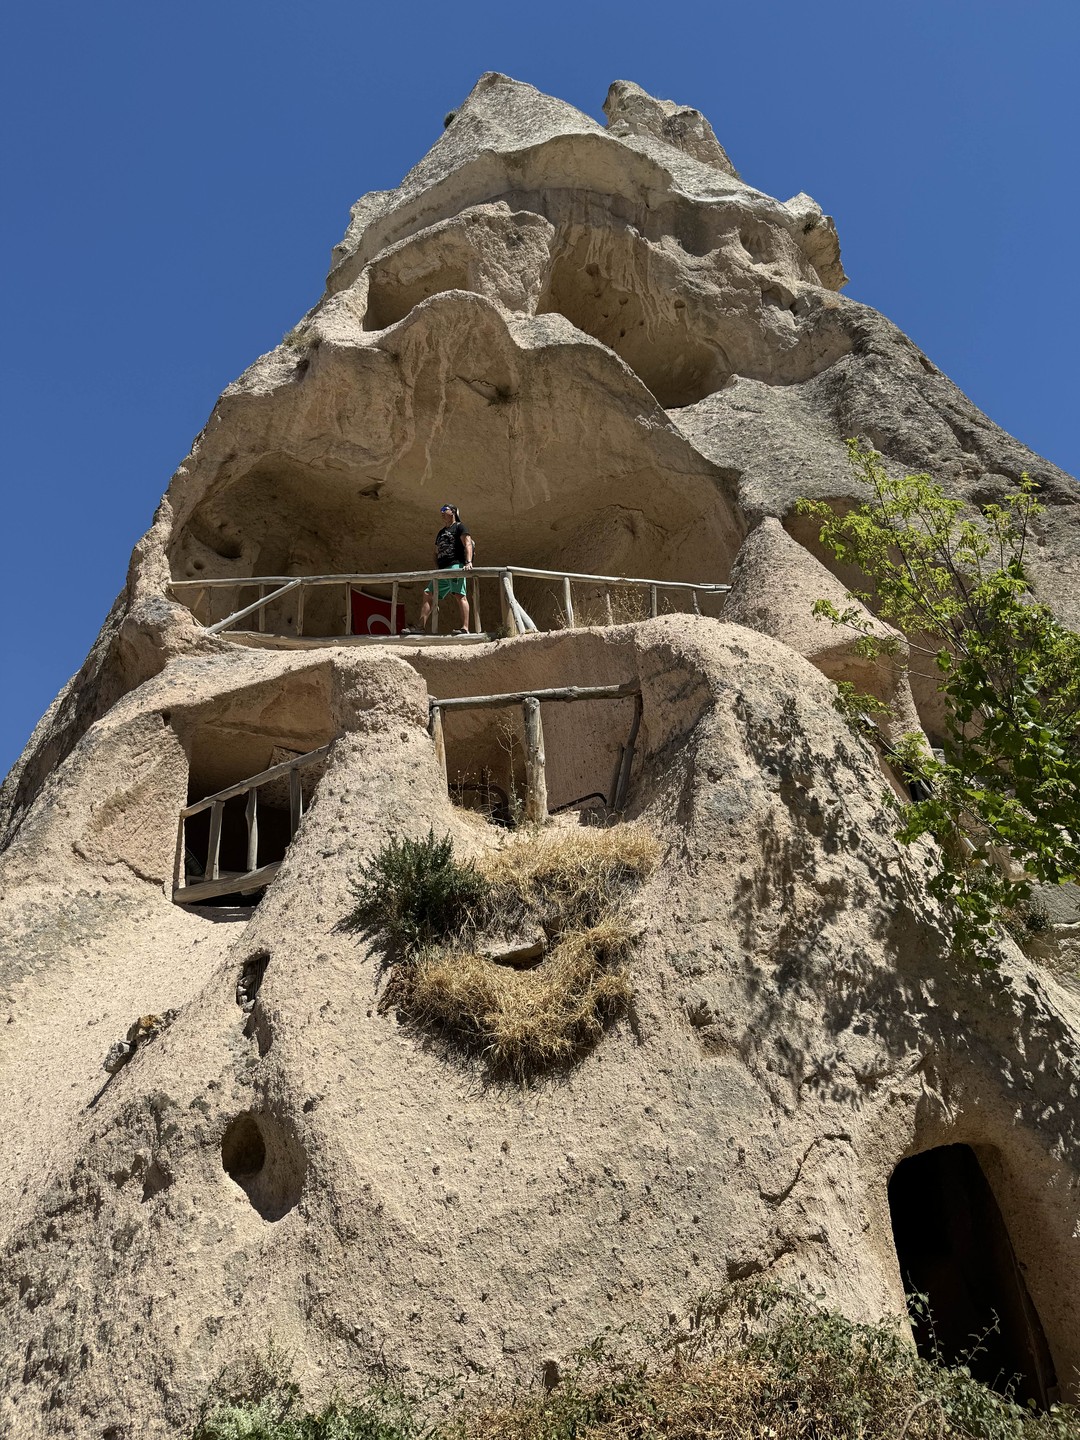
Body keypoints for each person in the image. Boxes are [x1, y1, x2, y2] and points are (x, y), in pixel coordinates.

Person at [407, 504, 474, 635]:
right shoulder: (441, 532)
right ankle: (420, 626)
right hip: (442, 569)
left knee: (459, 595)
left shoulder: (460, 526)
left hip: (455, 566)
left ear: (453, 512)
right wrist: (437, 566)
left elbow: (467, 543)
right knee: (428, 593)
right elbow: (436, 551)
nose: (442, 513)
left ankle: (465, 628)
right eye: (441, 511)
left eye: (444, 510)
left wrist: (468, 562)